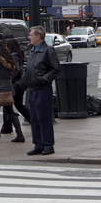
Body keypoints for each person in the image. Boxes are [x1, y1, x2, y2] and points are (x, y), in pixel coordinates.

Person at [23, 26, 60, 155]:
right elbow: (28, 68)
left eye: (31, 35)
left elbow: (56, 69)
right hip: (32, 88)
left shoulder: (48, 50)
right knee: (34, 118)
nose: (29, 37)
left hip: (43, 89)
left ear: (38, 36)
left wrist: (44, 79)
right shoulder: (32, 50)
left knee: (44, 118)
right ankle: (38, 144)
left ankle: (48, 145)